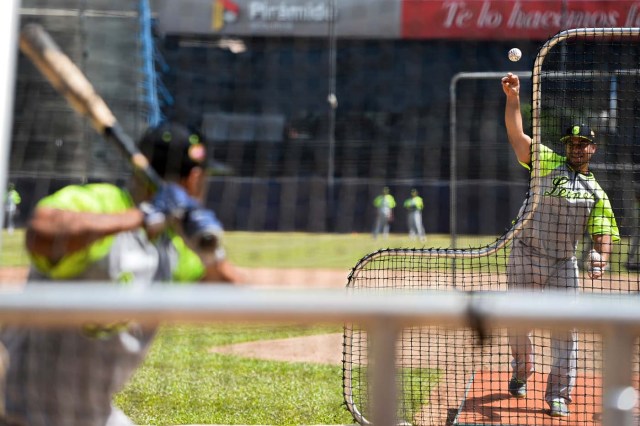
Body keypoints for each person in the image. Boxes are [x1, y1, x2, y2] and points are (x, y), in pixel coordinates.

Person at [0, 122, 242, 426]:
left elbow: (234, 296)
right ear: (194, 179)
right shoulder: (102, 202)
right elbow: (42, 232)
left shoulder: (175, 248)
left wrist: (210, 251)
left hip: (92, 415)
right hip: (20, 411)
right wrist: (141, 217)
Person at [501, 72, 620, 418]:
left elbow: (604, 232)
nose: (576, 148)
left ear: (592, 149)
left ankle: (559, 395)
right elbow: (516, 134)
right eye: (572, 143)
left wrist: (600, 255)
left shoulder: (596, 192)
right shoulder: (547, 162)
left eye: (583, 144)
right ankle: (523, 369)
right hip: (526, 253)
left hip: (561, 263)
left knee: (565, 331)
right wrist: (513, 99)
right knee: (517, 322)